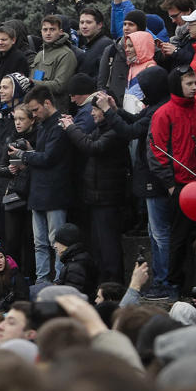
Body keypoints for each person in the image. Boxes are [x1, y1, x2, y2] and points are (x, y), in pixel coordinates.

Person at [98, 66, 172, 295]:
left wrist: (108, 113)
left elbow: (130, 132)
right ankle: (161, 280)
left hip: (156, 179)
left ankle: (165, 282)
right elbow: (134, 120)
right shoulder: (154, 107)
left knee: (160, 234)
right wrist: (115, 109)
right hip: (151, 177)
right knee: (155, 232)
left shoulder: (159, 110)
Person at [149, 66, 196, 295]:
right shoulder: (164, 113)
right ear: (177, 85)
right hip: (181, 185)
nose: (195, 87)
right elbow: (156, 150)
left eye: (195, 82)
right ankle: (174, 283)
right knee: (179, 237)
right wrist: (170, 185)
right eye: (189, 83)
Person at [9, 85, 73, 284]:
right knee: (39, 243)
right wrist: (30, 152)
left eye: (35, 110)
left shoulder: (60, 125)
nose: (34, 115)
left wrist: (24, 154)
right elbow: (42, 155)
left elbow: (48, 158)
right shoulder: (45, 125)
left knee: (57, 242)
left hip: (54, 193)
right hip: (38, 192)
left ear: (47, 103)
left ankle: (59, 281)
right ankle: (42, 281)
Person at [61, 99, 128, 282]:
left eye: (96, 109)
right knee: (99, 245)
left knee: (109, 245)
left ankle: (113, 285)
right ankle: (103, 283)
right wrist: (74, 126)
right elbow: (88, 139)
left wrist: (70, 129)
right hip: (96, 197)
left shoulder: (114, 131)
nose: (92, 113)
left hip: (108, 197)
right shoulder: (101, 129)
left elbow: (92, 147)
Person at [0, 102, 35, 274]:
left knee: (30, 239)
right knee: (12, 240)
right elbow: (0, 168)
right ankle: (13, 276)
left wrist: (29, 156)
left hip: (32, 193)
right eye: (15, 119)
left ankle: (29, 276)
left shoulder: (37, 137)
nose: (18, 123)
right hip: (14, 193)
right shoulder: (10, 138)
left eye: (22, 119)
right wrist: (10, 170)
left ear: (32, 120)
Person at [28, 15, 78, 99]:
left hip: (55, 107)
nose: (48, 33)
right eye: (45, 30)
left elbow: (60, 86)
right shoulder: (40, 53)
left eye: (52, 29)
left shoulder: (66, 54)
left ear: (61, 32)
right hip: (36, 104)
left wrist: (31, 82)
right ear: (41, 32)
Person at [52, 223, 98, 300]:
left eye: (57, 242)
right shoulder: (73, 260)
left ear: (66, 243)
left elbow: (72, 294)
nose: (55, 246)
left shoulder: (76, 265)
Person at [77, 6, 113, 78]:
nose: (84, 26)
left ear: (99, 25)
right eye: (82, 22)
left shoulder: (106, 44)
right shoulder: (85, 46)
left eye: (88, 22)